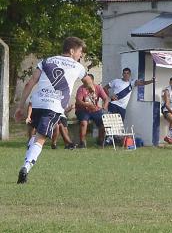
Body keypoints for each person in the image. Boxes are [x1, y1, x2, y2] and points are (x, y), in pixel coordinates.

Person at [14, 37, 88, 183]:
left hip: (37, 103)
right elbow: (89, 81)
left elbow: (30, 83)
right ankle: (26, 167)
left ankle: (27, 162)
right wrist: (91, 88)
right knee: (40, 139)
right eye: (80, 52)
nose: (81, 55)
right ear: (72, 51)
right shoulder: (78, 67)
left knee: (35, 136)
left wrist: (20, 106)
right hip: (53, 106)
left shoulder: (46, 61)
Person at [75, 74, 110, 148]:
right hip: (82, 110)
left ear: (92, 81)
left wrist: (104, 108)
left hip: (95, 110)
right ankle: (82, 142)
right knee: (84, 123)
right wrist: (87, 105)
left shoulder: (98, 87)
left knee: (104, 122)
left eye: (88, 81)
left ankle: (100, 141)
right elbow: (78, 101)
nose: (86, 83)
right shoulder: (81, 88)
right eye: (85, 82)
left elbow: (106, 99)